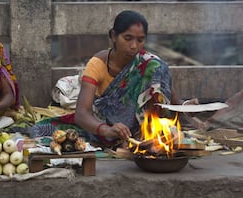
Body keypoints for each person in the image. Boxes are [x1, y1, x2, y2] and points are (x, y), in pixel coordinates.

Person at [33, 10, 176, 148]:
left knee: (158, 66)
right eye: (127, 38)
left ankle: (148, 135)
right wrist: (106, 130)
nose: (134, 46)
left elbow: (166, 97)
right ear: (113, 36)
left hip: (142, 131)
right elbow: (82, 113)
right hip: (108, 126)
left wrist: (187, 106)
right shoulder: (98, 64)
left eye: (140, 40)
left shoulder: (148, 65)